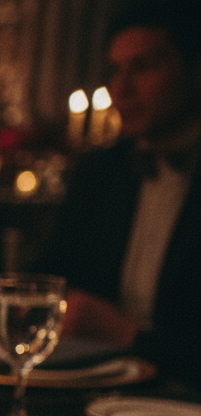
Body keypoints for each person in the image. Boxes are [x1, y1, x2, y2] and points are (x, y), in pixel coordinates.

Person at [36, 2, 201, 382]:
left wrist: (129, 334)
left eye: (143, 67)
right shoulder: (100, 171)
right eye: (115, 70)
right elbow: (50, 276)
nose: (122, 89)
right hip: (92, 387)